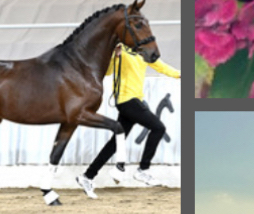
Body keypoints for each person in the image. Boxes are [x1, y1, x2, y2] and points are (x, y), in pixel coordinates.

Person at [76, 42, 179, 198]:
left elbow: (162, 67)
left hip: (133, 101)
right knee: (158, 128)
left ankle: (87, 176)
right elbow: (108, 71)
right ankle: (143, 170)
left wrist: (181, 74)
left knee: (116, 143)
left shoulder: (145, 52)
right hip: (127, 101)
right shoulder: (120, 50)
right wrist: (114, 55)